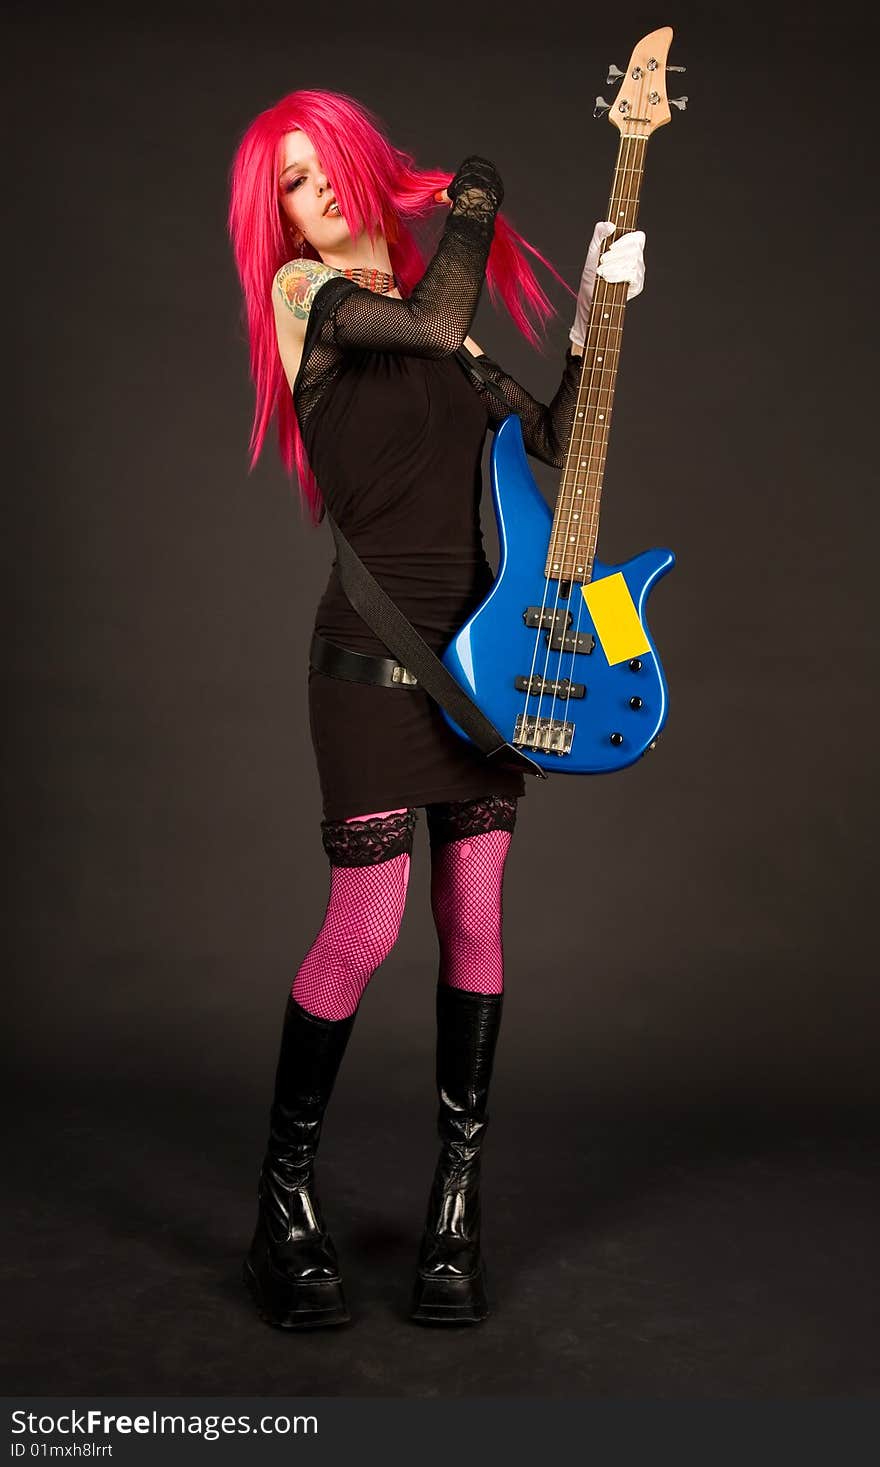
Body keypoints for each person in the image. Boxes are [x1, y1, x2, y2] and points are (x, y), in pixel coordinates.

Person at [227, 88, 645, 1330]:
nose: (320, 194)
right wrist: (475, 191)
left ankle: (455, 1205)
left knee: (475, 920)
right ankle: (281, 1203)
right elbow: (436, 303)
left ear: (359, 163)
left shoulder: (451, 348)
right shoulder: (313, 302)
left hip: (481, 672)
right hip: (367, 660)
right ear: (285, 220)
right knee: (364, 926)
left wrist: (600, 315)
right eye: (293, 185)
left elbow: (558, 444)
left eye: (325, 168)